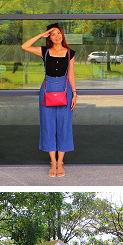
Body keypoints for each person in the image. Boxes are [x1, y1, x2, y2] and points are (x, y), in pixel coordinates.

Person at [21, 24, 77, 177]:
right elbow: (24, 46)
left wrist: (75, 93)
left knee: (64, 126)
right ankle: (53, 162)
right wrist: (41, 34)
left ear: (63, 35)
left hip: (65, 90)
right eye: (53, 34)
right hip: (47, 90)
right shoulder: (44, 51)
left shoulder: (70, 53)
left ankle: (61, 162)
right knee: (48, 125)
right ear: (49, 37)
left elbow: (71, 74)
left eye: (59, 33)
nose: (57, 36)